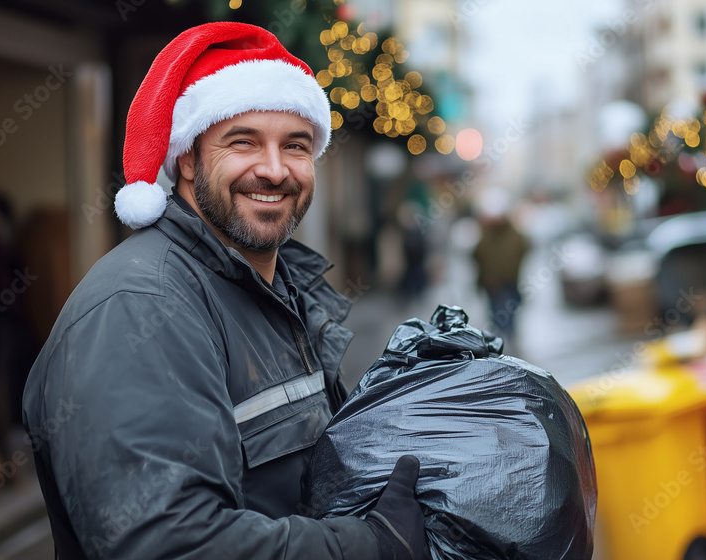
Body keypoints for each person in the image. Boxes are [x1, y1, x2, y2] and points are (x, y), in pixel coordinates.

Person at [22, 23, 427, 560]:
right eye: (244, 142)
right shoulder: (141, 307)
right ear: (188, 159)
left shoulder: (279, 293)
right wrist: (370, 546)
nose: (275, 170)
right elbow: (164, 544)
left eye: (296, 146)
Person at [471, 189, 530, 347]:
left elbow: (523, 249)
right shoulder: (485, 233)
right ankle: (499, 340)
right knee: (496, 314)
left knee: (509, 312)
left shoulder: (514, 235)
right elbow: (478, 255)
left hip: (508, 281)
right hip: (492, 283)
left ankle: (508, 338)